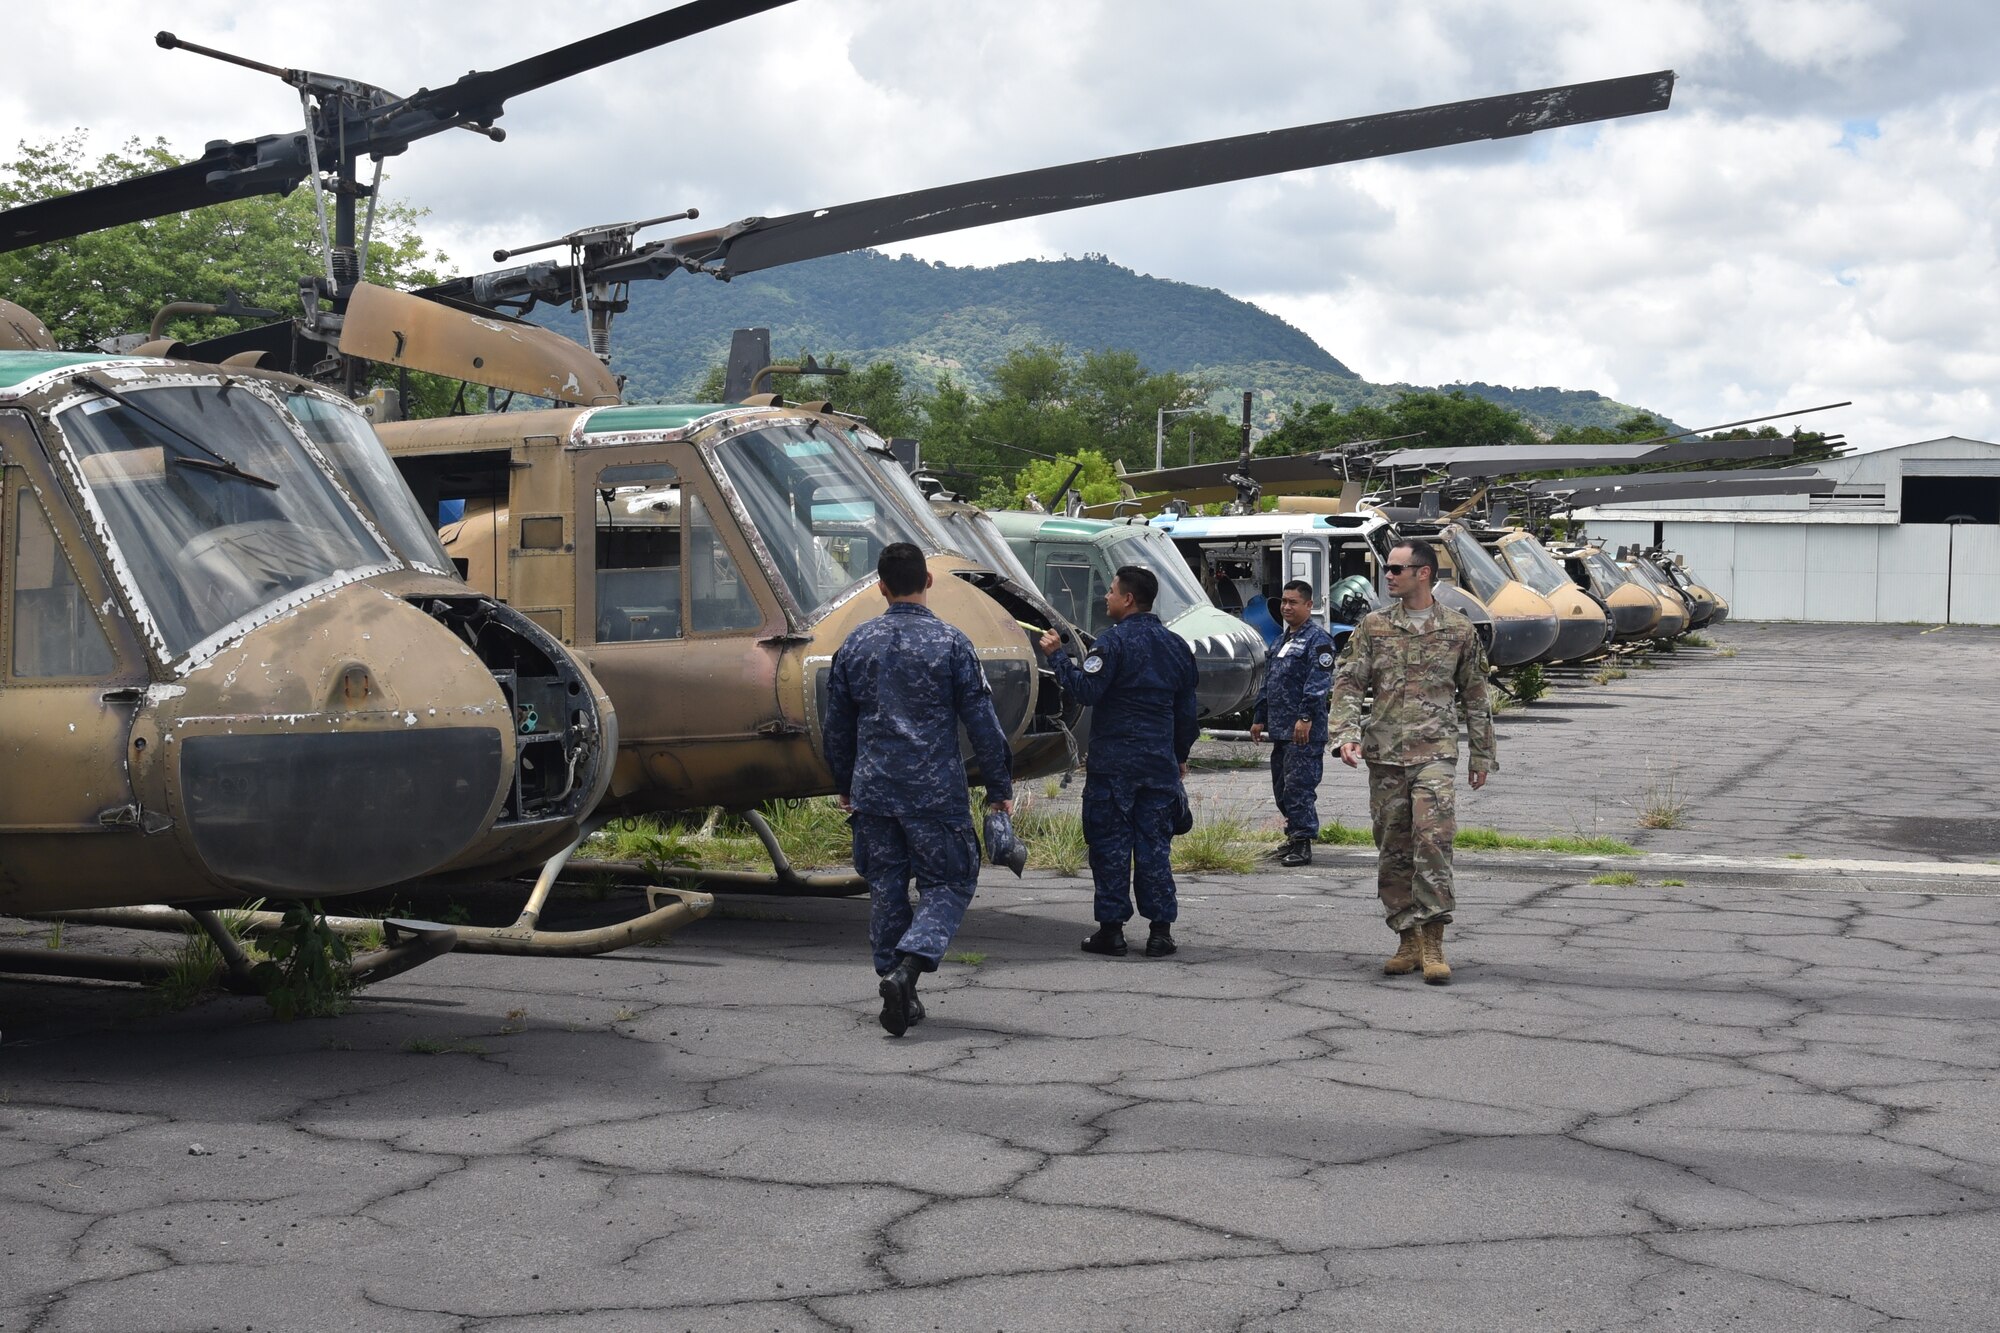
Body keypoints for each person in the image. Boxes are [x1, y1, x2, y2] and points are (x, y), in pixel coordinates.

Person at [824, 542, 1014, 1036]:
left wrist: (843, 783)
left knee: (887, 889)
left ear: (881, 587)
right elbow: (983, 724)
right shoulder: (952, 644)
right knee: (949, 883)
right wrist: (999, 788)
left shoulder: (855, 644)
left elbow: (837, 727)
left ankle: (894, 984)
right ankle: (909, 969)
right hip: (934, 793)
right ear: (928, 581)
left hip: (874, 791)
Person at [1328, 539, 1496, 984]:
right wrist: (1344, 735)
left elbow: (1476, 696)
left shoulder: (1459, 630)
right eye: (1388, 569)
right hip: (1384, 755)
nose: (1389, 575)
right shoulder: (1374, 626)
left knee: (1433, 841)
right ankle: (1406, 938)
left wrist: (1482, 752)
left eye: (1397, 569)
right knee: (1394, 848)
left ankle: (1434, 939)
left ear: (1423, 573)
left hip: (1435, 754)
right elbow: (1348, 684)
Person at [1036, 565, 1199, 958]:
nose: (1105, 598)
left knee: (1110, 847)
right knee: (1154, 849)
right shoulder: (1177, 646)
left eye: (1110, 592)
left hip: (1114, 768)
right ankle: (1161, 932)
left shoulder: (1111, 645)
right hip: (1158, 766)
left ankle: (1112, 931)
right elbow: (1187, 713)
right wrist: (1179, 757)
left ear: (1128, 599)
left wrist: (1058, 657)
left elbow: (1086, 691)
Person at [1250, 579, 1337, 867]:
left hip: (1304, 730)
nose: (1287, 607)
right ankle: (1291, 838)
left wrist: (1305, 717)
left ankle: (1303, 843)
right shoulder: (1281, 640)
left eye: (1293, 602)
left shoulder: (1318, 640)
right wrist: (1259, 718)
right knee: (1282, 788)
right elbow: (1269, 682)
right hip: (1281, 729)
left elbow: (1317, 684)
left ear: (1309, 606)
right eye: (1284, 601)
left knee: (1299, 788)